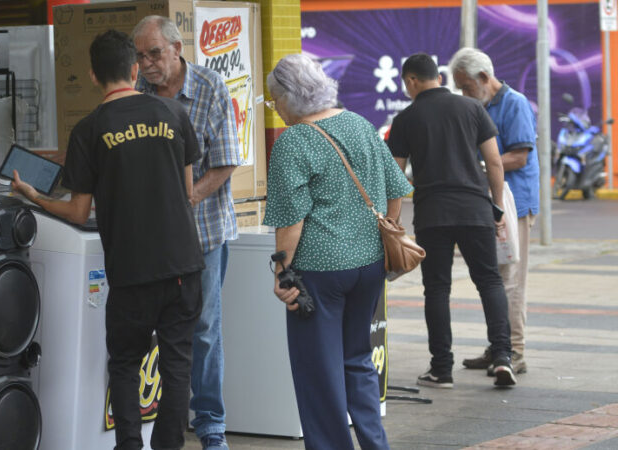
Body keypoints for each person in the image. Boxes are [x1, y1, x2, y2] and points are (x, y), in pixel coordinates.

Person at [11, 30, 204, 450]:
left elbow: (79, 212)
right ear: (135, 70)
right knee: (176, 364)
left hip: (132, 270)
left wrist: (34, 196)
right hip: (183, 267)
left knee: (125, 364)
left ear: (94, 75)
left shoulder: (89, 130)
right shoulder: (173, 114)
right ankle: (170, 445)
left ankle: (129, 445)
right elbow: (188, 193)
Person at [263, 53, 413, 449]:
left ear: (288, 97)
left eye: (274, 100)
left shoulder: (293, 141)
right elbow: (397, 190)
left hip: (320, 273)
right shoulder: (359, 124)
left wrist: (282, 272)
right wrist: (383, 239)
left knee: (319, 373)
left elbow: (290, 221)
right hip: (369, 266)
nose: (275, 109)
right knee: (358, 360)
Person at [132, 16, 241, 450]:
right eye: (139, 56)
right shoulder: (137, 93)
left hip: (204, 233)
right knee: (154, 328)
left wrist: (187, 198)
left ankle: (211, 425)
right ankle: (156, 421)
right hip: (151, 238)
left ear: (177, 48)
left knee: (204, 328)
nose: (147, 64)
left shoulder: (211, 87)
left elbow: (228, 160)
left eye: (154, 53)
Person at [387, 53, 517, 388]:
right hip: (475, 209)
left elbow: (396, 178)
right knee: (489, 281)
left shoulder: (406, 119)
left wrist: (392, 223)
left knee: (437, 289)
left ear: (412, 80)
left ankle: (441, 369)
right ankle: (503, 358)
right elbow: (494, 163)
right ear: (440, 77)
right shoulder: (473, 108)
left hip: (433, 214)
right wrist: (497, 208)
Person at [450, 47, 539, 375]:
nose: (464, 93)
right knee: (496, 279)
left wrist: (479, 166)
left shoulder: (513, 104)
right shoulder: (479, 107)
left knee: (511, 280)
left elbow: (520, 156)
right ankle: (498, 346)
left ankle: (514, 351)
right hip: (490, 202)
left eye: (467, 87)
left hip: (516, 203)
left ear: (485, 79)